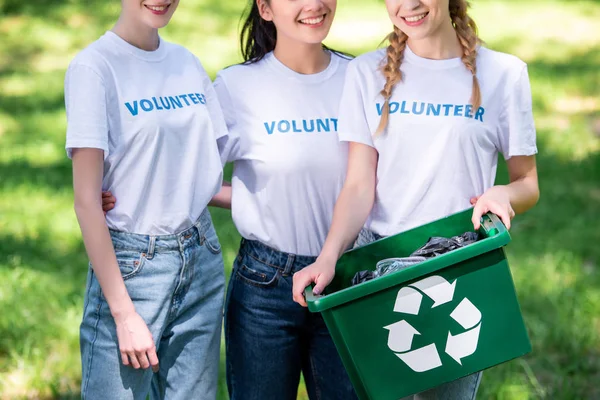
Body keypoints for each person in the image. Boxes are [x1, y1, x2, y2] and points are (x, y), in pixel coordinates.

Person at [292, 0, 540, 398]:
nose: (408, 5)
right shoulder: (365, 73)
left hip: (458, 264)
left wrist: (503, 193)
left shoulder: (504, 75)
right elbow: (359, 185)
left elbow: (527, 183)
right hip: (380, 267)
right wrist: (329, 255)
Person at [65, 1, 229, 398]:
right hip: (133, 268)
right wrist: (123, 314)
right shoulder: (94, 68)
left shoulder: (186, 63)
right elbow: (87, 201)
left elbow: (197, 180)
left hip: (201, 258)